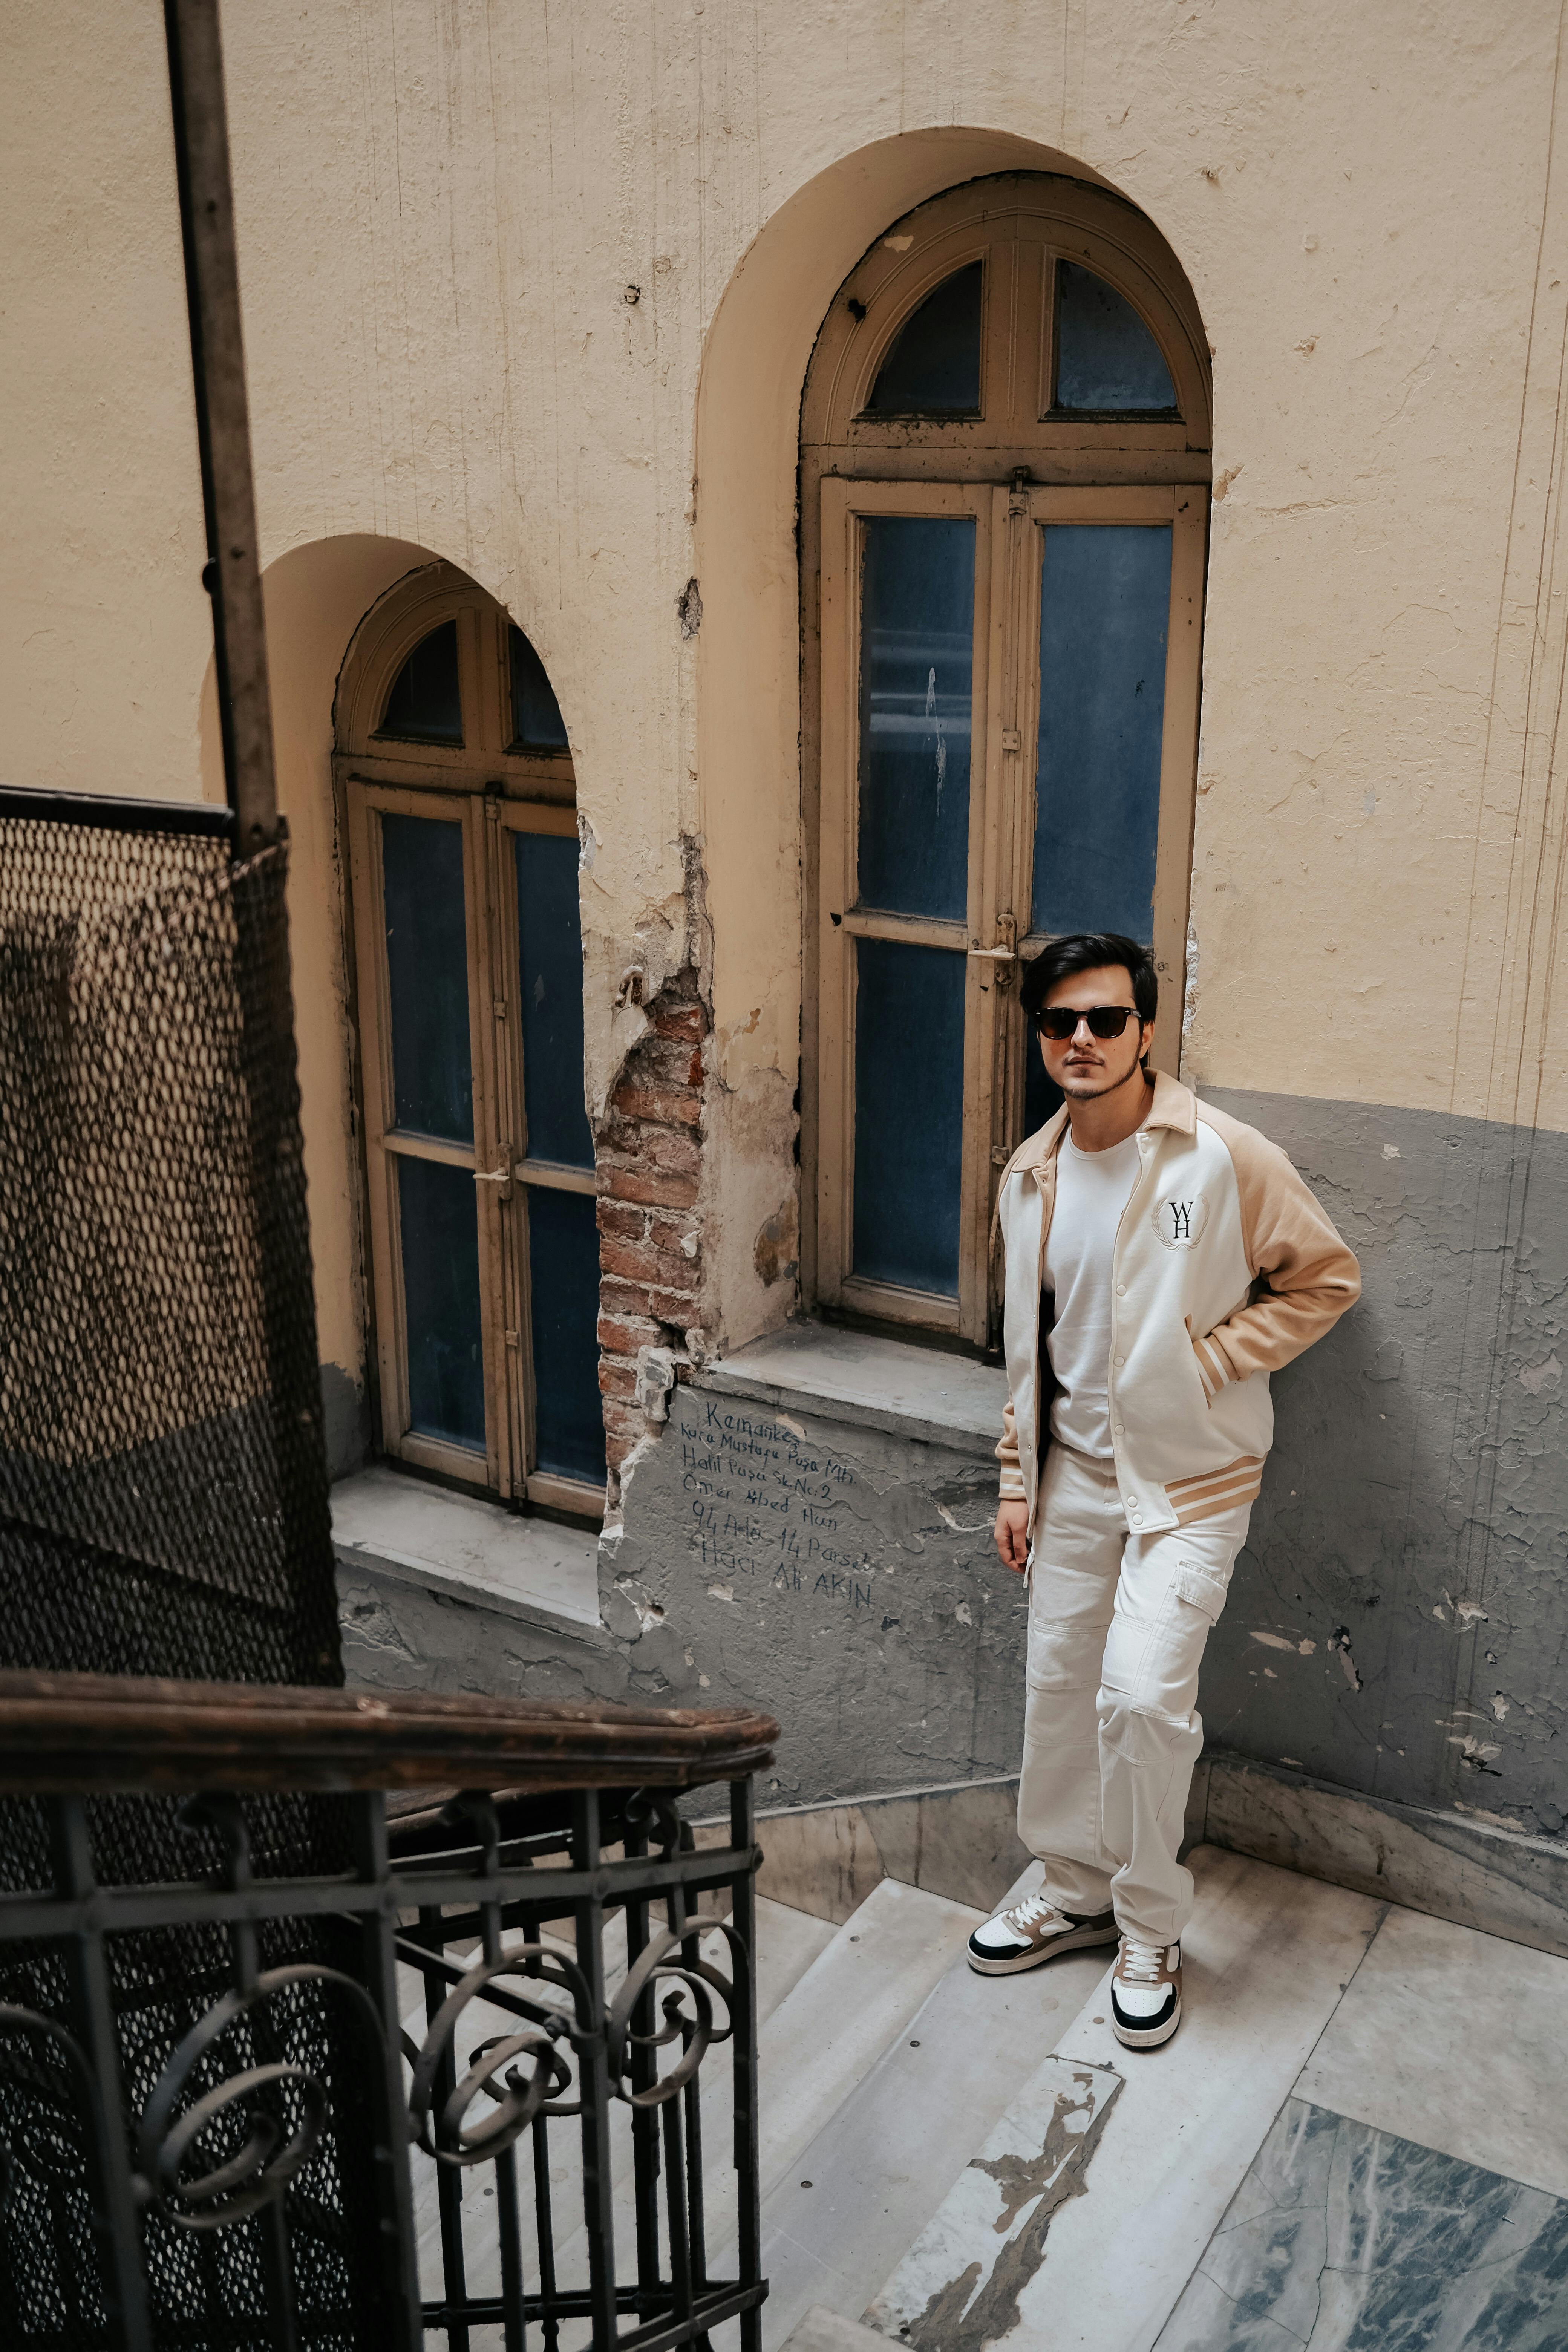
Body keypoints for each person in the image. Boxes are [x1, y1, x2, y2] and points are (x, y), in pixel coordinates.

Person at [967, 933, 1360, 2049]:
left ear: (1146, 1029)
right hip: (1072, 1483)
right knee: (1057, 1693)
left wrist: (1210, 1363)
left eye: (1104, 1020)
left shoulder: (1221, 1157)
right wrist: (1015, 1479)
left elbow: (1325, 1278)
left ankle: (1149, 1922)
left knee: (1141, 1702)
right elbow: (1025, 1348)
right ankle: (1072, 1887)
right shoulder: (1030, 1175)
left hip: (1193, 1484)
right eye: (1060, 1024)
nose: (1081, 1041)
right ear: (1042, 1037)